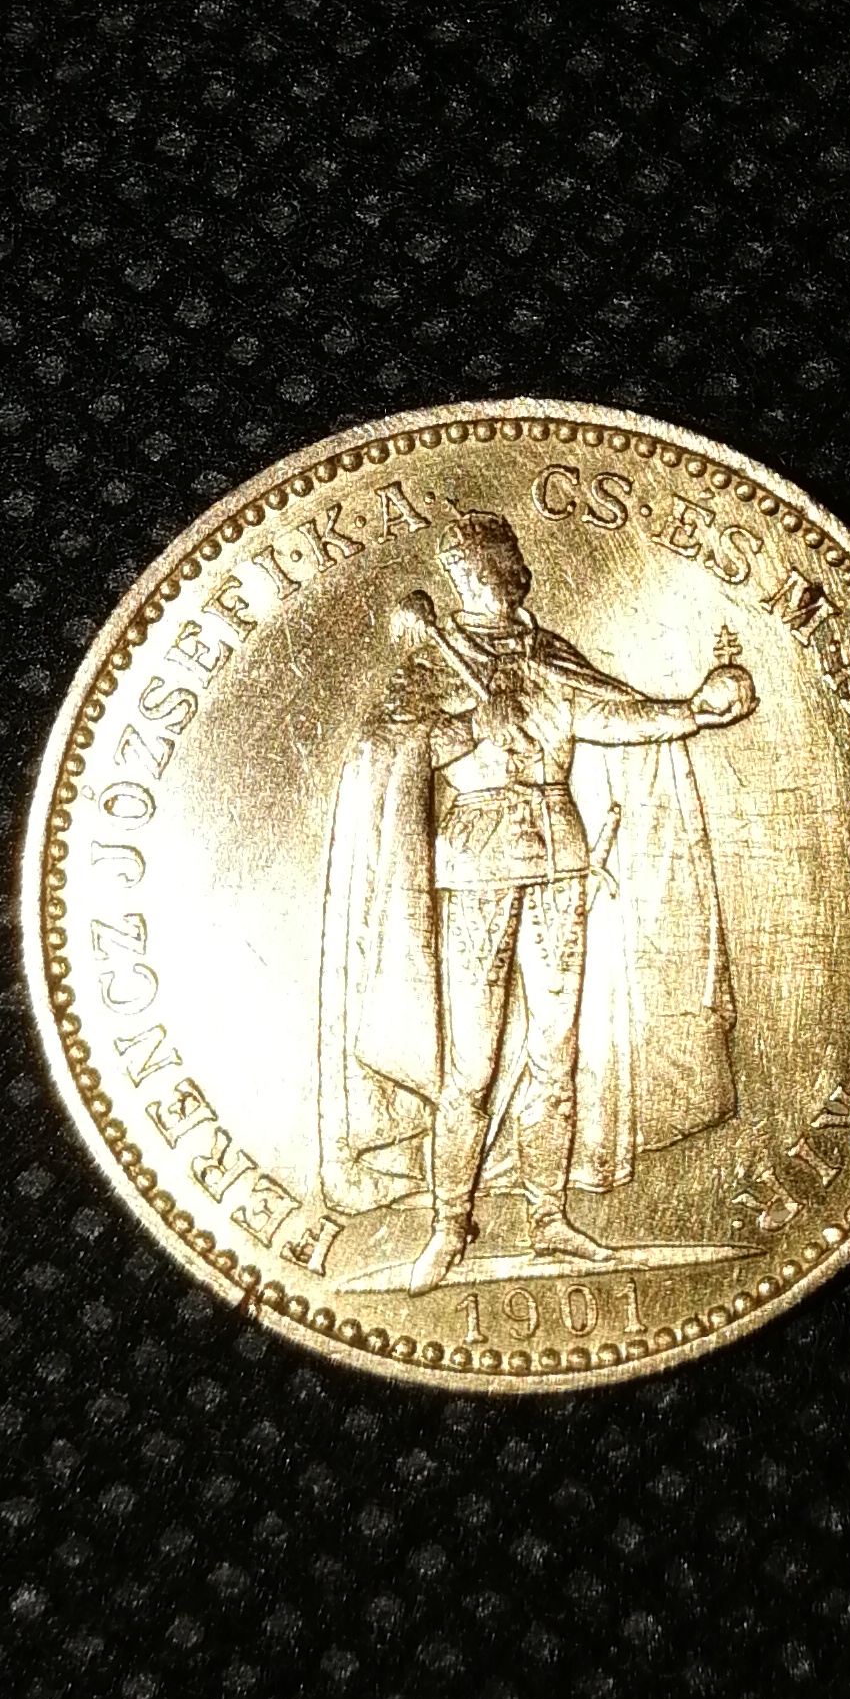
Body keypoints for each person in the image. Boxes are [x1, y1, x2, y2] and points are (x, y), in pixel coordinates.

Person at [315, 509, 756, 1287]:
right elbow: (391, 753)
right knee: (472, 1065)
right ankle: (448, 1229)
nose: (509, 567)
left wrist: (694, 710)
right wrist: (469, 727)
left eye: (509, 555)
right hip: (476, 866)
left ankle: (549, 1219)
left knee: (555, 1052)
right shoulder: (432, 662)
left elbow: (612, 714)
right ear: (466, 572)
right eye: (495, 557)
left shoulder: (548, 654)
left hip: (560, 860)